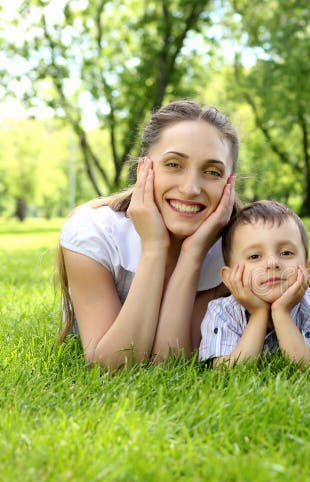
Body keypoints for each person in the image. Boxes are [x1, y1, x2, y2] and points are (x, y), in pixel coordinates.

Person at [58, 100, 238, 369]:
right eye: (174, 164)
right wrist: (154, 248)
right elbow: (113, 364)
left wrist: (193, 254)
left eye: (212, 172)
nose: (190, 188)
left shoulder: (234, 249)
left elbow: (169, 361)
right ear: (144, 170)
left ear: (229, 183)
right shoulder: (93, 232)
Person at [198, 200, 310, 377]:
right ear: (229, 277)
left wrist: (281, 312)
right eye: (255, 256)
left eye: (286, 253)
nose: (272, 263)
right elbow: (228, 375)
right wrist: (258, 314)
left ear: (307, 269)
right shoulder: (222, 312)